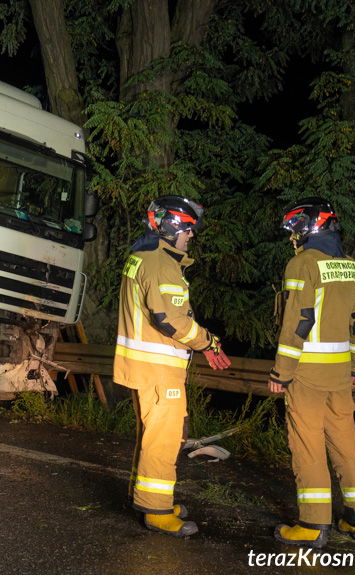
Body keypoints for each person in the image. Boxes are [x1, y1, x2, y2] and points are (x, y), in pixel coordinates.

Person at [113, 195, 231, 537]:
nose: (191, 236)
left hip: (144, 366)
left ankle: (147, 498)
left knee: (151, 438)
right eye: (189, 229)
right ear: (171, 227)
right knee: (164, 441)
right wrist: (207, 341)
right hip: (158, 368)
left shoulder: (142, 258)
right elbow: (171, 320)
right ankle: (157, 511)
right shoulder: (161, 263)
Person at [269, 197, 355, 548]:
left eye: (295, 229)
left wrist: (281, 372)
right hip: (340, 374)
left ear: (310, 227)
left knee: (308, 446)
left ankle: (313, 526)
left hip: (307, 374)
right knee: (346, 442)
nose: (292, 237)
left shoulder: (302, 263)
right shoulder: (348, 266)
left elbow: (298, 321)